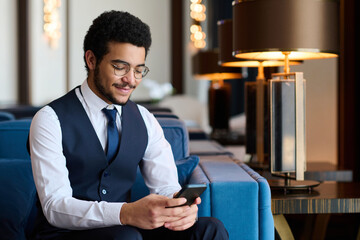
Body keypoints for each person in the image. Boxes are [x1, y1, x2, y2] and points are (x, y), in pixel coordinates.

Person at [29, 10, 229, 240]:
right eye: (120, 67)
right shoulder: (49, 119)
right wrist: (126, 213)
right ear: (91, 60)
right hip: (65, 233)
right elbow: (55, 207)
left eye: (138, 70)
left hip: (128, 229)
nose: (131, 80)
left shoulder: (144, 119)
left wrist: (180, 209)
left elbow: (165, 187)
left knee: (209, 228)